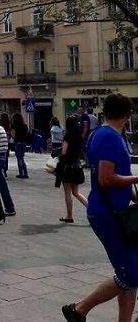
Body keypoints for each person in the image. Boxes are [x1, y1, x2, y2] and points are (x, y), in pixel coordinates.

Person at [62, 93, 138, 322]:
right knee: (131, 274)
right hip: (108, 213)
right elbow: (106, 178)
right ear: (128, 113)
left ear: (104, 112)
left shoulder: (101, 134)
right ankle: (79, 309)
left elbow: (114, 176)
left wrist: (134, 195)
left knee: (128, 271)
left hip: (111, 209)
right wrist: (136, 179)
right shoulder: (109, 138)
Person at [56, 115, 87, 223]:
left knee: (68, 192)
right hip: (77, 166)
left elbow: (64, 152)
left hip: (67, 168)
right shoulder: (79, 137)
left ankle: (69, 215)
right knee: (76, 192)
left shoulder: (68, 136)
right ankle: (91, 209)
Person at [10, 112, 30, 179]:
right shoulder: (24, 126)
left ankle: (21, 173)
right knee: (22, 158)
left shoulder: (14, 126)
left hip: (17, 143)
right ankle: (25, 173)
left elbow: (13, 135)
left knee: (19, 158)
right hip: (23, 143)